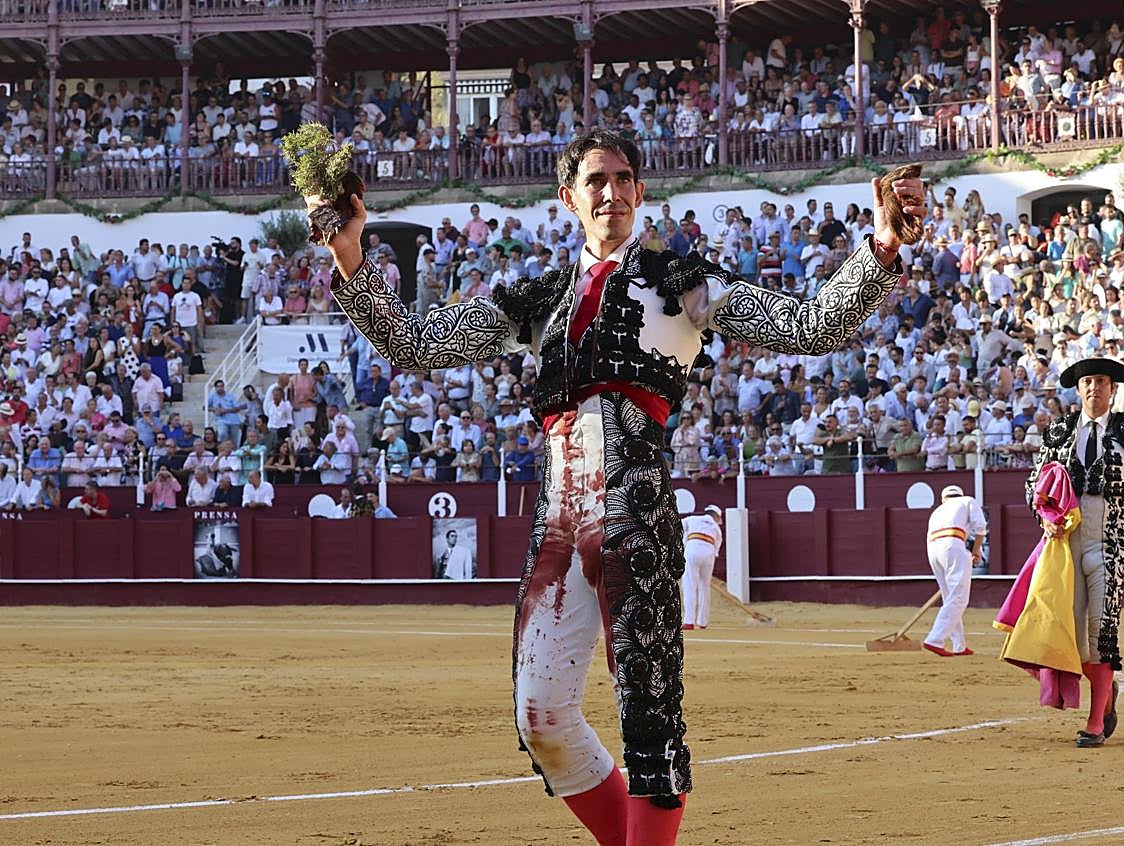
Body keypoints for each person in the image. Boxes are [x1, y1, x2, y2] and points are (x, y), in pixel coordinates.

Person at [318, 128, 922, 842]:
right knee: (539, 715)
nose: (612, 192)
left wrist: (880, 248)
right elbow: (415, 345)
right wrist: (349, 251)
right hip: (556, 522)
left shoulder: (683, 282)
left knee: (650, 718)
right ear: (567, 197)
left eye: (624, 179)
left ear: (641, 192)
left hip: (635, 513)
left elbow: (809, 325)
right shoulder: (538, 298)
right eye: (596, 181)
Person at [1028, 357, 1124, 748]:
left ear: (1112, 389)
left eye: (1101, 381)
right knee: (1072, 636)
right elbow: (1035, 488)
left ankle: (1095, 722)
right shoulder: (1058, 434)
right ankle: (1105, 695)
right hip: (1066, 546)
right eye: (1087, 382)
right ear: (1078, 390)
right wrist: (1044, 518)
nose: (1094, 387)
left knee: (1102, 632)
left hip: (1110, 543)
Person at [922, 484, 986, 657]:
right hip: (954, 545)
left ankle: (959, 645)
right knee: (958, 598)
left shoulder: (937, 511)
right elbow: (980, 527)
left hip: (933, 551)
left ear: (944, 499)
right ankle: (935, 639)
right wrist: (975, 551)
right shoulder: (967, 501)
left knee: (950, 597)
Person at [679, 504, 724, 630]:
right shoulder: (716, 528)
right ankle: (703, 621)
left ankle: (689, 621)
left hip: (692, 549)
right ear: (716, 516)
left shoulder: (692, 519)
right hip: (708, 553)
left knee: (689, 585)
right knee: (705, 587)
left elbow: (677, 526)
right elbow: (716, 550)